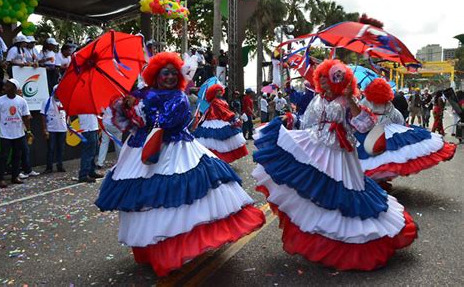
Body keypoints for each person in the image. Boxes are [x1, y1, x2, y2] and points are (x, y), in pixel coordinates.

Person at [94, 52, 265, 277]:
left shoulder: (179, 97)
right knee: (143, 200)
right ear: (155, 74)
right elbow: (128, 121)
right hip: (140, 151)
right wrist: (128, 106)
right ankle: (149, 248)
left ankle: (174, 249)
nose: (170, 77)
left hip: (172, 150)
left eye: (174, 73)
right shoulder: (141, 93)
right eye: (165, 73)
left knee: (174, 198)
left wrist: (141, 112)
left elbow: (167, 122)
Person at [252, 59, 417, 270]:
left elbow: (365, 126)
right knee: (315, 194)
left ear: (339, 82)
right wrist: (293, 119)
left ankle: (347, 243)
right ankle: (318, 236)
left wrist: (350, 100)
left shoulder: (349, 101)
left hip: (340, 156)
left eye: (328, 81)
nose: (324, 85)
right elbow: (308, 122)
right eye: (321, 81)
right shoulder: (317, 100)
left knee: (343, 198)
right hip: (317, 148)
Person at [356, 79, 456, 185]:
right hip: (390, 131)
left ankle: (375, 182)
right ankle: (381, 181)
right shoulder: (389, 106)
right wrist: (404, 128)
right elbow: (398, 118)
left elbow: (358, 116)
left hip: (370, 132)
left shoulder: (364, 103)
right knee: (389, 158)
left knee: (372, 158)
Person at [0, 79, 32, 188]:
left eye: (8, 85)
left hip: (19, 133)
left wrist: (28, 131)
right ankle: (0, 179)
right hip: (5, 134)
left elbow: (26, 117)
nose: (5, 87)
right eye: (6, 85)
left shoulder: (21, 101)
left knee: (17, 156)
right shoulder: (0, 100)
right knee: (4, 156)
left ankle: (15, 177)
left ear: (15, 88)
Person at [193, 84, 248, 163]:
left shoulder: (219, 100)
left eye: (220, 91)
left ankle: (220, 160)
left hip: (221, 121)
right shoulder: (215, 101)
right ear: (214, 93)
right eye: (217, 91)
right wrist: (232, 117)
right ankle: (218, 160)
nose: (220, 92)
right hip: (216, 121)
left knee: (222, 142)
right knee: (218, 142)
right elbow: (223, 111)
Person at [40, 85, 68, 173]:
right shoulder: (47, 101)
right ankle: (49, 167)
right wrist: (45, 129)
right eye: (58, 92)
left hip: (62, 128)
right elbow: (43, 115)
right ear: (54, 91)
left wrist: (68, 125)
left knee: (61, 148)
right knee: (51, 148)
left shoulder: (64, 100)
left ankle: (60, 165)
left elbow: (67, 113)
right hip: (51, 129)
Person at [78, 114, 103, 183]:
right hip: (87, 129)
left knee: (93, 152)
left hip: (93, 128)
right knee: (88, 153)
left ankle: (91, 171)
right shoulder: (83, 104)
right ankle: (83, 175)